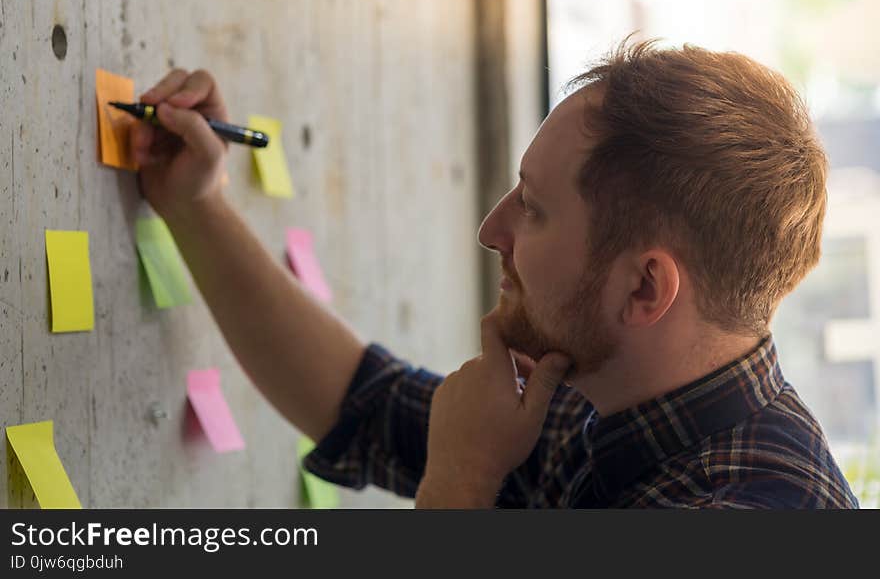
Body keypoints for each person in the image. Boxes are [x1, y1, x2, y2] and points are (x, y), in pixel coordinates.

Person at [132, 38, 858, 508]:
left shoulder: (760, 506)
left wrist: (460, 482)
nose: (492, 231)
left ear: (645, 288)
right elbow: (368, 408)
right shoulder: (603, 398)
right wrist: (196, 205)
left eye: (534, 209)